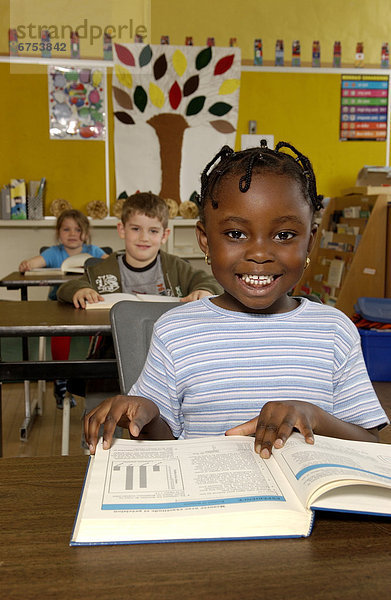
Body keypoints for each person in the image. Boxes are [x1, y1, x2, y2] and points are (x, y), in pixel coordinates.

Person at [84, 142, 389, 457]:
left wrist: (312, 416)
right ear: (205, 239)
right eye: (235, 234)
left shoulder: (334, 330)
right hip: (208, 501)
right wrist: (144, 415)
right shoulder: (176, 331)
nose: (259, 253)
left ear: (309, 241)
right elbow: (165, 446)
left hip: (310, 505)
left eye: (284, 235)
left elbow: (369, 445)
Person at [57, 191, 222, 445]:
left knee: (163, 418)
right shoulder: (102, 268)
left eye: (153, 231)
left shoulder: (176, 267)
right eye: (136, 229)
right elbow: (66, 288)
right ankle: (98, 453)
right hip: (111, 357)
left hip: (164, 359)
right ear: (121, 229)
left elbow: (207, 280)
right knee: (100, 399)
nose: (144, 238)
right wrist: (79, 290)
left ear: (164, 235)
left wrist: (205, 290)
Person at [19, 209, 108, 408]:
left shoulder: (93, 251)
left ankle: (94, 371)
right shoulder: (54, 252)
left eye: (78, 229)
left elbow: (109, 265)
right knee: (60, 332)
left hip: (88, 305)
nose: (72, 233)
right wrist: (27, 265)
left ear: (86, 233)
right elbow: (34, 263)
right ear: (58, 233)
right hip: (60, 306)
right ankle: (60, 376)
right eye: (66, 229)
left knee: (103, 330)